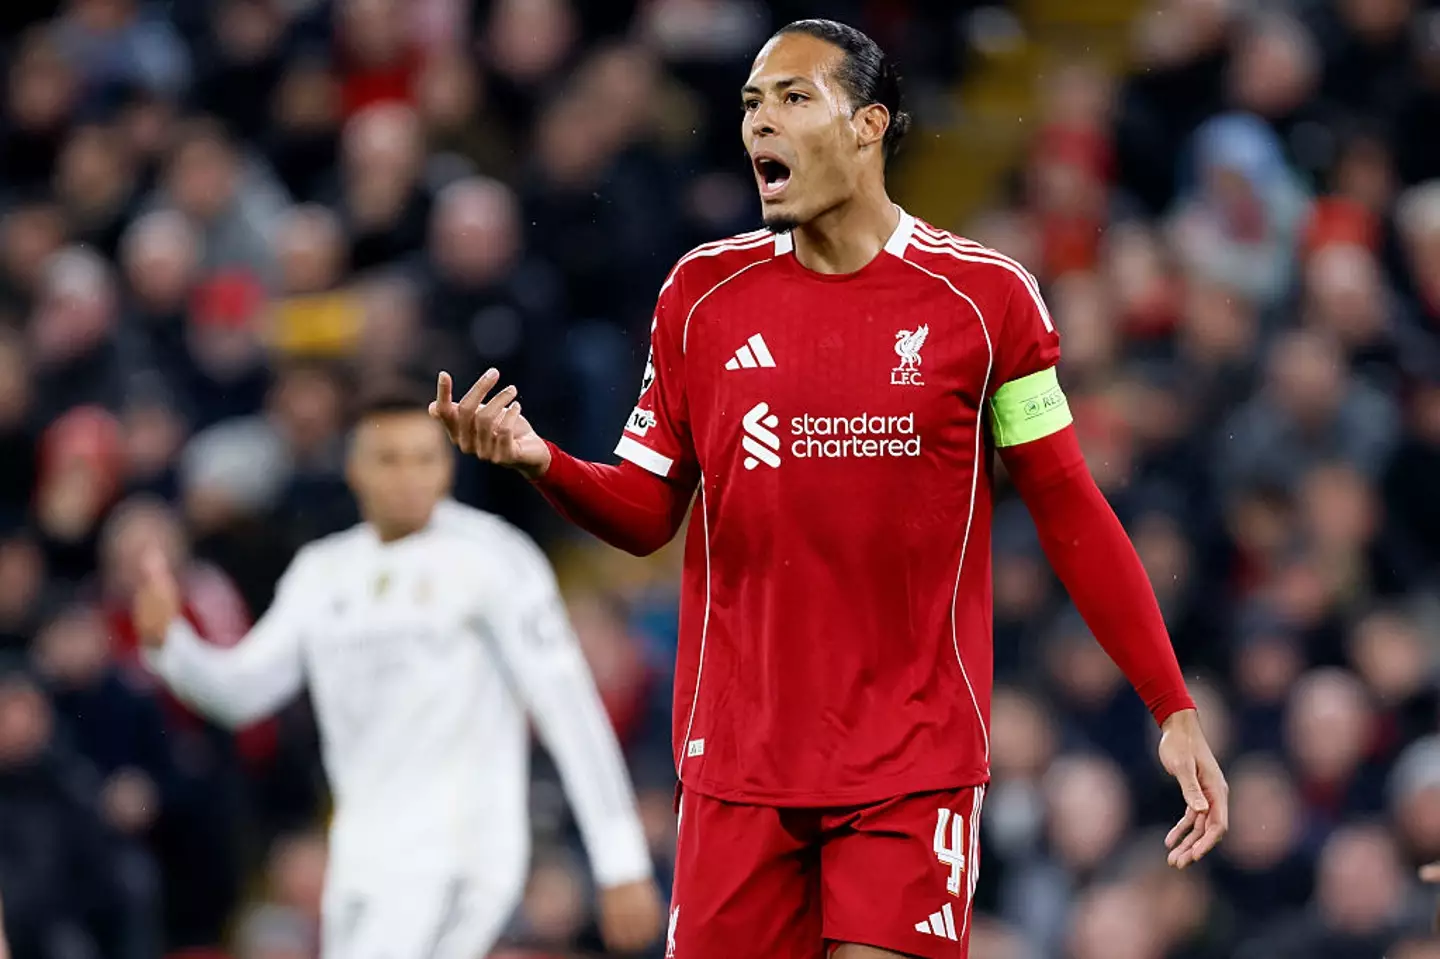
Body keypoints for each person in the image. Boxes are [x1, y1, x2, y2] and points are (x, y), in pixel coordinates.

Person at [431, 19, 1228, 959]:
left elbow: (1067, 506)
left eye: (794, 98)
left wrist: (1170, 704)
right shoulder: (701, 297)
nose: (761, 123)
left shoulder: (987, 300)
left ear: (869, 125)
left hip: (911, 760)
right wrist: (544, 462)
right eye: (750, 104)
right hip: (738, 764)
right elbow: (648, 512)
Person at [131, 388, 664, 959]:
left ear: (446, 468)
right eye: (390, 459)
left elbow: (567, 707)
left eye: (425, 459)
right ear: (354, 468)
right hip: (362, 855)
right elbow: (243, 693)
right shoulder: (324, 573)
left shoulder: (495, 559)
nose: (410, 477)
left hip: (462, 852)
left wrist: (621, 861)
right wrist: (172, 647)